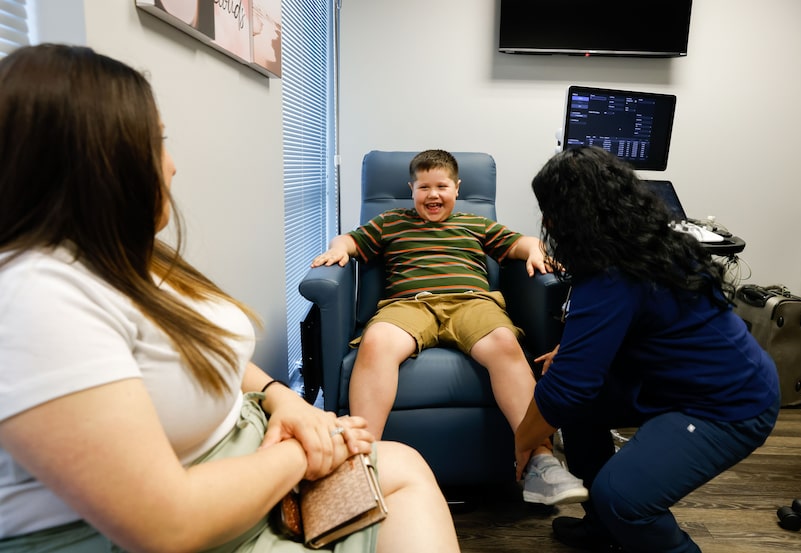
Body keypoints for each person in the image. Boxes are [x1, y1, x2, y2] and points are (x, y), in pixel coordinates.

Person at [0, 44, 460, 553]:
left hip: (253, 451)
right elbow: (167, 525)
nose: (172, 167)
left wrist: (280, 396)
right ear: (98, 161)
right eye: (157, 143)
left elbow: (200, 347)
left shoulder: (123, 256)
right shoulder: (34, 300)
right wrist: (303, 452)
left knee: (409, 467)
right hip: (217, 513)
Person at [516, 146, 780, 552]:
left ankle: (620, 521)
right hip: (686, 382)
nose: (546, 221)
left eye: (549, 210)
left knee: (622, 498)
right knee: (584, 406)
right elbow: (619, 334)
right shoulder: (642, 246)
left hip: (728, 405)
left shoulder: (613, 274)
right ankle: (603, 531)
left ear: (575, 216)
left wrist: (521, 445)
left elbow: (567, 389)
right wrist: (574, 353)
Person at [311, 149, 588, 506]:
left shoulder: (475, 223)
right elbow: (350, 240)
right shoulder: (391, 222)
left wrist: (534, 249)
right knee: (377, 341)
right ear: (410, 189)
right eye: (423, 187)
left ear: (457, 188)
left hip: (471, 302)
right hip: (410, 304)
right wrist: (338, 249)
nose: (433, 195)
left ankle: (539, 461)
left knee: (505, 343)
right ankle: (364, 463)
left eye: (441, 186)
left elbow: (519, 243)